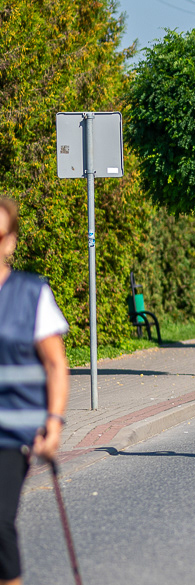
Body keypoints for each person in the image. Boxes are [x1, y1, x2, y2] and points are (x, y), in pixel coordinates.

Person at [0, 197, 70, 585]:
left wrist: (53, 424)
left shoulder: (30, 293)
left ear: (10, 242)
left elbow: (56, 364)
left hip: (12, 432)